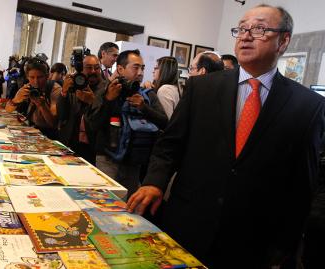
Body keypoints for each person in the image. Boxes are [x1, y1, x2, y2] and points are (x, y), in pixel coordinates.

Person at [127, 4, 325, 268]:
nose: (245, 35)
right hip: (188, 224)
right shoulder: (201, 88)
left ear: (283, 40)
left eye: (259, 29)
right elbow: (169, 146)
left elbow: (301, 185)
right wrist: (154, 182)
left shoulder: (308, 106)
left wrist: (286, 246)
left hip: (252, 240)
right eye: (241, 28)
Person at [89, 49, 168, 198]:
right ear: (120, 69)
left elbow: (165, 123)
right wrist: (108, 100)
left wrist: (144, 108)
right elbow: (93, 125)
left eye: (143, 68)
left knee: (128, 211)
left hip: (134, 163)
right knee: (105, 205)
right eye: (135, 67)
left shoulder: (148, 94)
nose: (140, 72)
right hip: (107, 160)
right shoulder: (105, 90)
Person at [57, 55, 106, 165]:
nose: (93, 71)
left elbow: (104, 116)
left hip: (93, 145)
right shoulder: (73, 85)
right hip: (70, 141)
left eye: (97, 68)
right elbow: (61, 114)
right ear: (80, 69)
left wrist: (91, 102)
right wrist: (64, 92)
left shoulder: (107, 88)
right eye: (88, 67)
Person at [5, 59, 61, 139]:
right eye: (32, 77)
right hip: (32, 129)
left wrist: (42, 106)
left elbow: (53, 124)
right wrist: (16, 100)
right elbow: (8, 110)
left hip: (48, 134)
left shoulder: (55, 90)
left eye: (40, 77)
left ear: (47, 76)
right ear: (27, 77)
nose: (36, 81)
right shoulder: (27, 87)